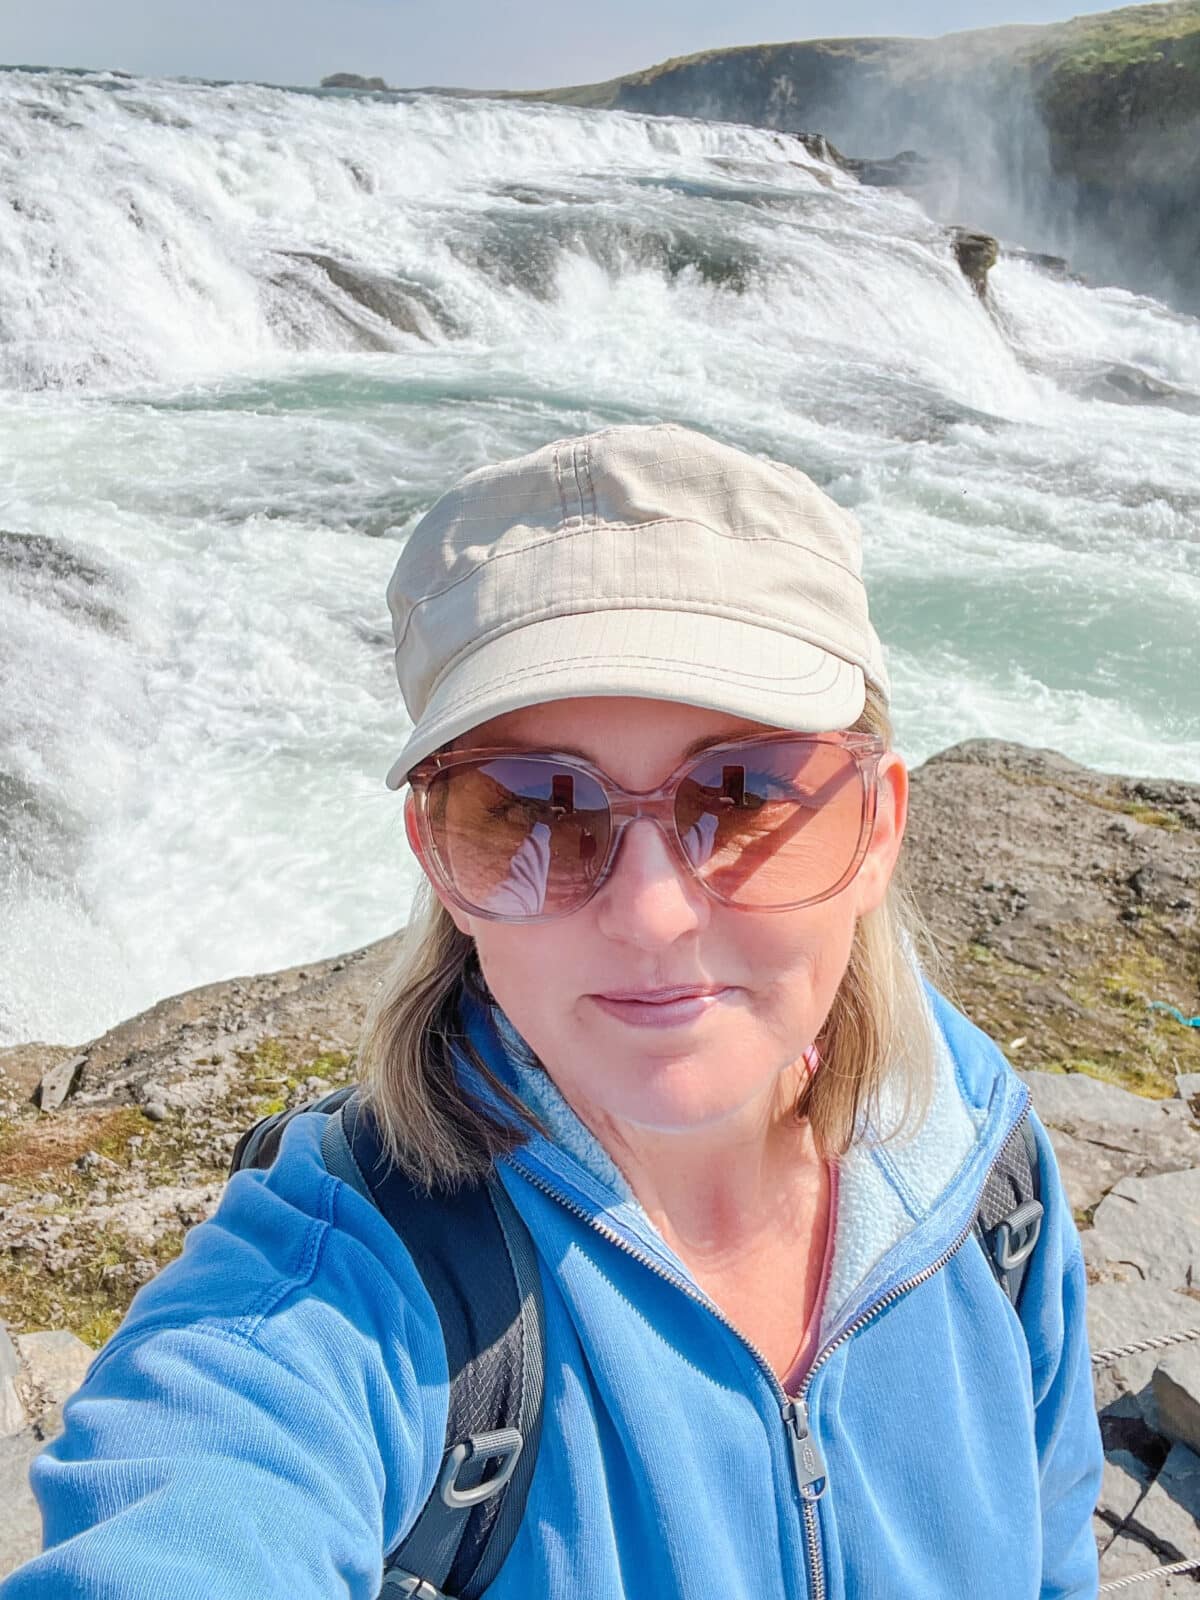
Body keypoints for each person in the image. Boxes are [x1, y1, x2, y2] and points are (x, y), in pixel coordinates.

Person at [2, 422, 1104, 1598]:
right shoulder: (343, 1298)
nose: (653, 913)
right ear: (436, 854)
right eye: (531, 809)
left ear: (878, 824)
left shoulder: (985, 1171)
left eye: (741, 796)